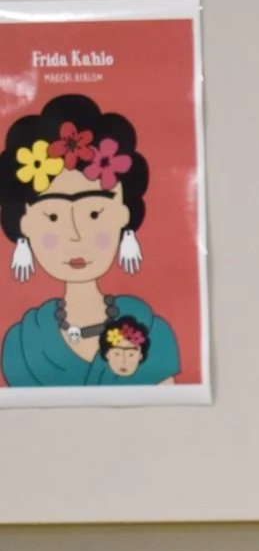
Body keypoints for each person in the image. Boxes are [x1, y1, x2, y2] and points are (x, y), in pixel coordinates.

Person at [0, 93, 182, 387]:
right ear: (24, 224)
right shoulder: (21, 345)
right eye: (53, 217)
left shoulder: (149, 331)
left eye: (95, 214)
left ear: (123, 215)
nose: (75, 235)